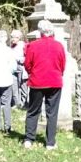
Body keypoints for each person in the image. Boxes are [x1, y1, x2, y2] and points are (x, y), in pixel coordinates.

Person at [23, 20, 66, 150]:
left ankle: (29, 138)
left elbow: (27, 64)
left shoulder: (33, 45)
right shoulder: (59, 46)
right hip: (54, 81)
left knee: (33, 111)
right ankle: (50, 142)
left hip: (37, 82)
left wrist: (32, 73)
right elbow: (62, 64)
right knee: (52, 112)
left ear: (40, 31)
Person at [10, 29, 28, 108]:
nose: (13, 39)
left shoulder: (23, 45)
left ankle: (24, 103)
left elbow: (27, 57)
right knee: (14, 86)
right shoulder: (12, 46)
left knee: (23, 86)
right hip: (13, 68)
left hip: (21, 67)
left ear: (19, 38)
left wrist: (18, 59)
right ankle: (16, 103)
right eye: (12, 37)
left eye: (14, 37)